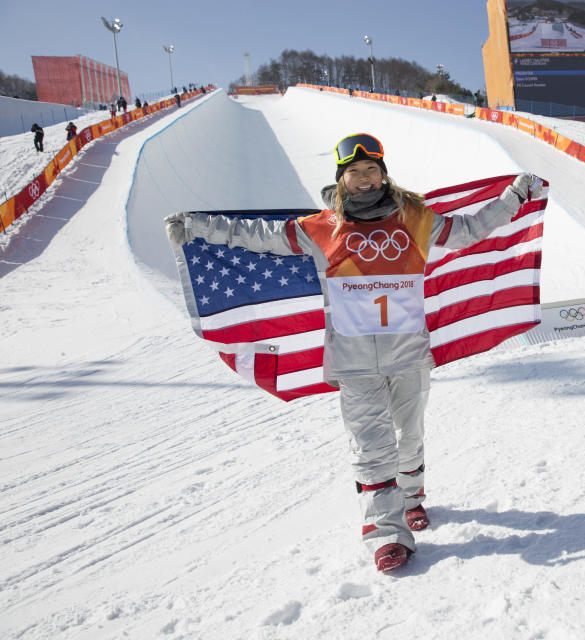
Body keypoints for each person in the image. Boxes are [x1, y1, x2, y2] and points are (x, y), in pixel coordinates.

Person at [164, 133, 543, 572]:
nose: (364, 179)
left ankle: (413, 497)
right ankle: (386, 535)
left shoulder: (415, 218)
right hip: (354, 360)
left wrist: (515, 196)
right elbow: (259, 236)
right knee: (370, 448)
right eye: (355, 173)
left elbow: (471, 229)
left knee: (409, 435)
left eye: (371, 171)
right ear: (341, 180)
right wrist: (197, 227)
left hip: (408, 355)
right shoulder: (321, 227)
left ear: (383, 174)